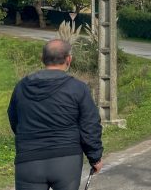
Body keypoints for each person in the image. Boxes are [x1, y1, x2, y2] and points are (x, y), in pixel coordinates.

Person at [7, 39, 103, 190]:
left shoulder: (21, 87)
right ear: (68, 59)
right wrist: (95, 157)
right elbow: (89, 126)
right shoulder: (78, 88)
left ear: (42, 58)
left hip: (29, 160)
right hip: (67, 160)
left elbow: (14, 119)